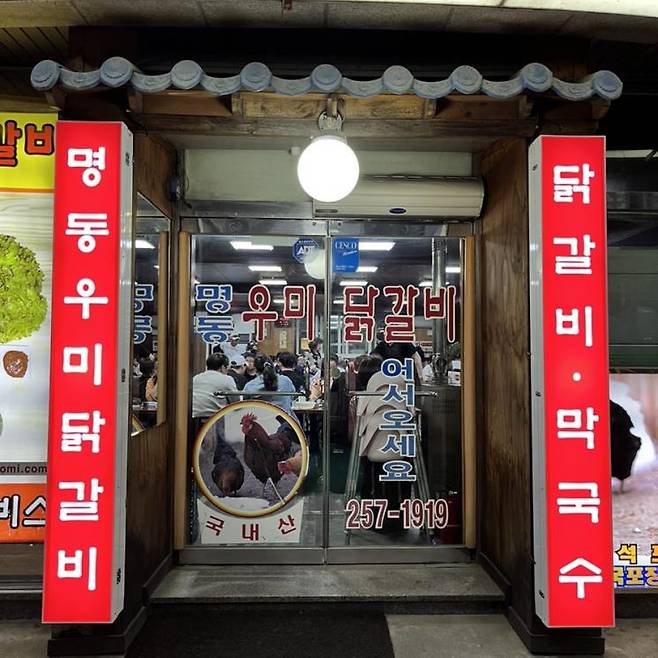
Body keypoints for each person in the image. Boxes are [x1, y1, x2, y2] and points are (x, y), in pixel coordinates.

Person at [243, 355, 298, 421]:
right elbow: (293, 396)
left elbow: (245, 404)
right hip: (285, 422)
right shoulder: (286, 381)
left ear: (255, 369)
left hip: (260, 422)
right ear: (273, 366)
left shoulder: (250, 386)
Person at [192, 353, 238, 419]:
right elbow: (236, 403)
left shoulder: (196, 378)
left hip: (194, 418)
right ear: (222, 367)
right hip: (215, 419)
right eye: (227, 368)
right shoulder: (227, 379)